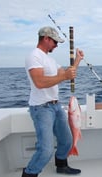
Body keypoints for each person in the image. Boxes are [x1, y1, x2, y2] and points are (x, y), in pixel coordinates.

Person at [23, 26, 84, 177]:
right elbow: (39, 82)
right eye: (55, 42)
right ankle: (30, 173)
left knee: (67, 141)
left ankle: (61, 166)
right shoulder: (34, 56)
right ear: (46, 38)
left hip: (56, 106)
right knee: (46, 149)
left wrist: (77, 60)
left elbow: (66, 73)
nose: (56, 46)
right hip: (41, 108)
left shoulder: (50, 59)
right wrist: (64, 76)